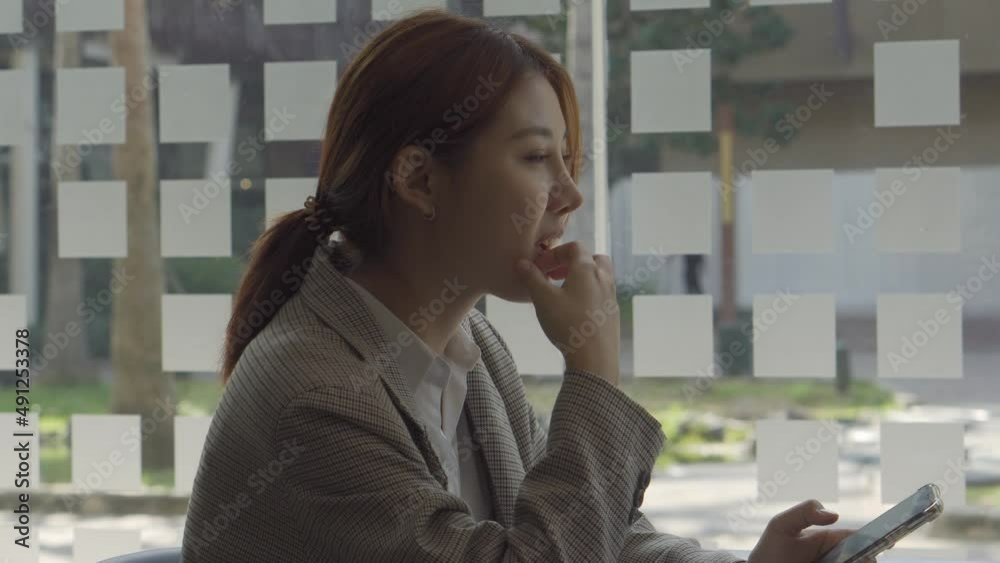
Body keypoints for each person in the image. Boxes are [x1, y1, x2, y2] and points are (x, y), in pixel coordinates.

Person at [181, 9, 869, 562]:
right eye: (537, 157)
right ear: (419, 179)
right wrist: (593, 372)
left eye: (566, 160)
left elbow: (594, 531)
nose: (569, 194)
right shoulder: (315, 399)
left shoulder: (469, 345)